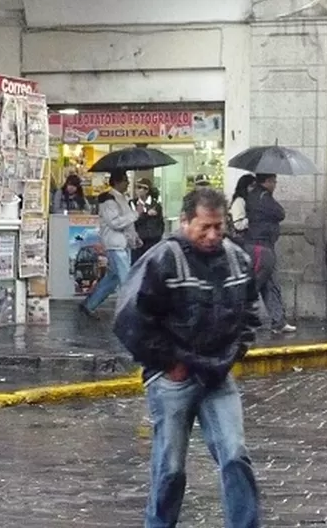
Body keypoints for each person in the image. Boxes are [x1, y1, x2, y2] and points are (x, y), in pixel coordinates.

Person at [113, 187, 261, 528]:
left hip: (218, 375)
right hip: (173, 379)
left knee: (235, 455)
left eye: (218, 227)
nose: (212, 235)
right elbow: (130, 318)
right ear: (185, 223)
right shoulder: (163, 258)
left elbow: (251, 310)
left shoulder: (236, 259)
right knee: (171, 467)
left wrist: (235, 352)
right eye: (204, 227)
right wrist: (169, 363)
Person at [79, 171, 141, 316]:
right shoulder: (109, 200)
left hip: (121, 243)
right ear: (118, 182)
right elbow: (115, 222)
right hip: (115, 243)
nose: (127, 183)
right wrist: (135, 214)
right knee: (126, 278)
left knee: (112, 279)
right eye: (125, 180)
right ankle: (130, 311)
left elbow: (125, 222)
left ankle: (90, 304)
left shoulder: (120, 198)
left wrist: (134, 236)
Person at [245, 173, 296, 334]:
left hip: (260, 245)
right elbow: (280, 213)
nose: (275, 185)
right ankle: (241, 319)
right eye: (273, 181)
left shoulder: (254, 195)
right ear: (266, 181)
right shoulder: (263, 197)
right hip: (262, 246)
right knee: (258, 284)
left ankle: (278, 321)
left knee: (269, 284)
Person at [131, 178, 165, 263]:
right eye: (137, 187)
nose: (138, 190)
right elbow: (133, 221)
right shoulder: (132, 203)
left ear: (147, 190)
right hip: (138, 241)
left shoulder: (155, 205)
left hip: (153, 240)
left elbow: (160, 223)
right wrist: (146, 215)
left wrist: (158, 235)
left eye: (140, 187)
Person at [228, 173, 255, 242]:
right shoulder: (239, 201)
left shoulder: (247, 201)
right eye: (252, 186)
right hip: (241, 240)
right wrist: (253, 218)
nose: (254, 189)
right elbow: (238, 225)